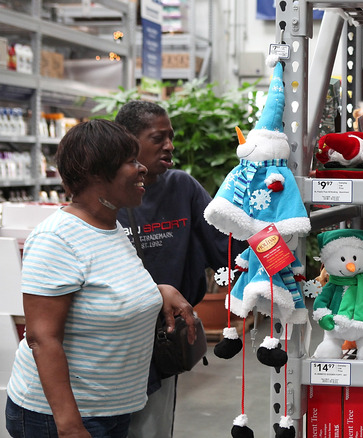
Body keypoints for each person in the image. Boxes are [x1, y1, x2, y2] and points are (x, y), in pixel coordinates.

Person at [4, 119, 196, 438]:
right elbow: (42, 337)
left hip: (111, 409)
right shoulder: (57, 238)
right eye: (130, 161)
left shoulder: (111, 227)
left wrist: (159, 290)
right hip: (61, 419)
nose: (142, 169)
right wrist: (70, 427)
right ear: (96, 173)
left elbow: (105, 288)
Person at [114, 100, 238, 438]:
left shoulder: (182, 187)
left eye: (170, 137)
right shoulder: (105, 195)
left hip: (162, 339)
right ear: (127, 140)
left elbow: (227, 247)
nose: (169, 146)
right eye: (158, 138)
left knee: (151, 427)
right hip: (111, 341)